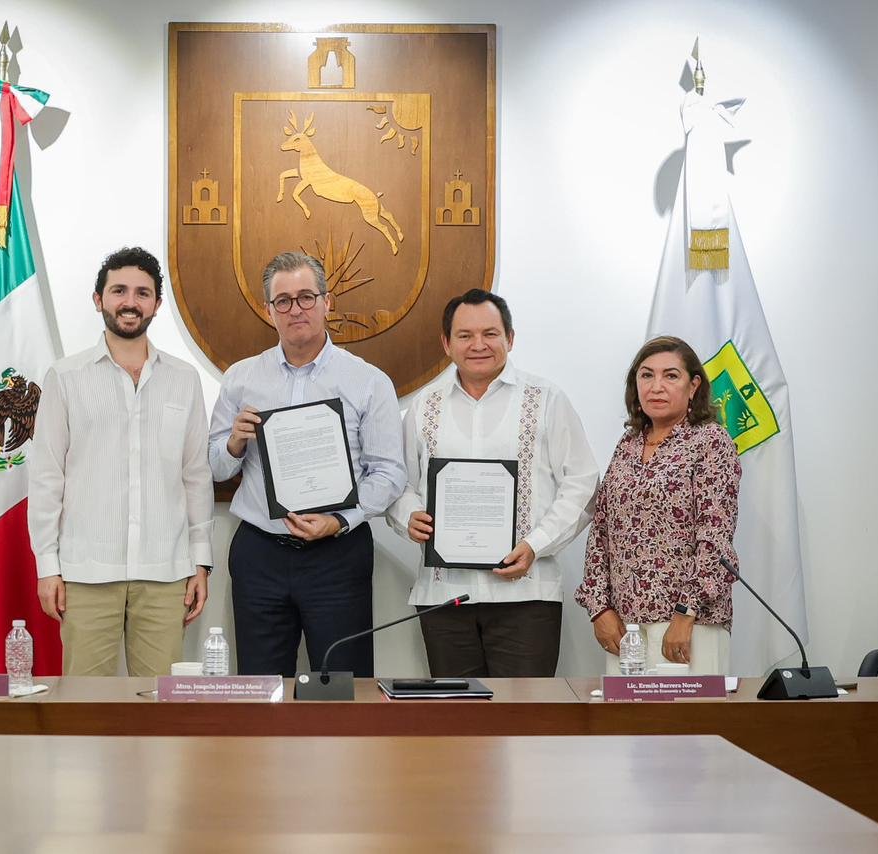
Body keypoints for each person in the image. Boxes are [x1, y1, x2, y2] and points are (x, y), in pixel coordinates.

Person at [209, 251, 406, 677]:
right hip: (260, 551)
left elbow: (389, 473)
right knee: (261, 688)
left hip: (338, 553)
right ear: (268, 310)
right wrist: (235, 444)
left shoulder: (368, 381)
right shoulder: (241, 378)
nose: (295, 309)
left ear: (327, 302)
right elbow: (215, 469)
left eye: (306, 297)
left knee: (342, 688)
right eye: (283, 301)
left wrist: (339, 520)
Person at [387, 289, 599, 677]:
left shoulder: (547, 400)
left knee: (523, 723)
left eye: (490, 333)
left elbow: (583, 484)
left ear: (510, 338)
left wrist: (536, 545)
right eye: (465, 335)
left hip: (526, 595)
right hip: (445, 596)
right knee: (458, 724)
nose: (478, 345)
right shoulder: (423, 406)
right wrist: (409, 516)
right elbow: (398, 483)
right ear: (446, 343)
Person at [29, 247, 213, 676]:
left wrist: (200, 562)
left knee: (160, 711)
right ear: (99, 300)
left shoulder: (184, 380)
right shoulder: (65, 377)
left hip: (165, 574)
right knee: (85, 711)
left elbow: (196, 477)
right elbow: (45, 478)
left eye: (143, 293)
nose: (130, 302)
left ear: (156, 305)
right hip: (86, 573)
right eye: (119, 291)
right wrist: (47, 566)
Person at [574, 335, 741, 675]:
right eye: (646, 375)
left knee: (689, 727)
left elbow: (715, 537)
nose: (657, 386)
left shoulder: (711, 441)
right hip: (626, 628)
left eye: (671, 376)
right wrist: (599, 609)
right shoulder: (628, 444)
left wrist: (685, 614)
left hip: (690, 625)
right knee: (628, 727)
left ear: (694, 385)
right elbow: (602, 530)